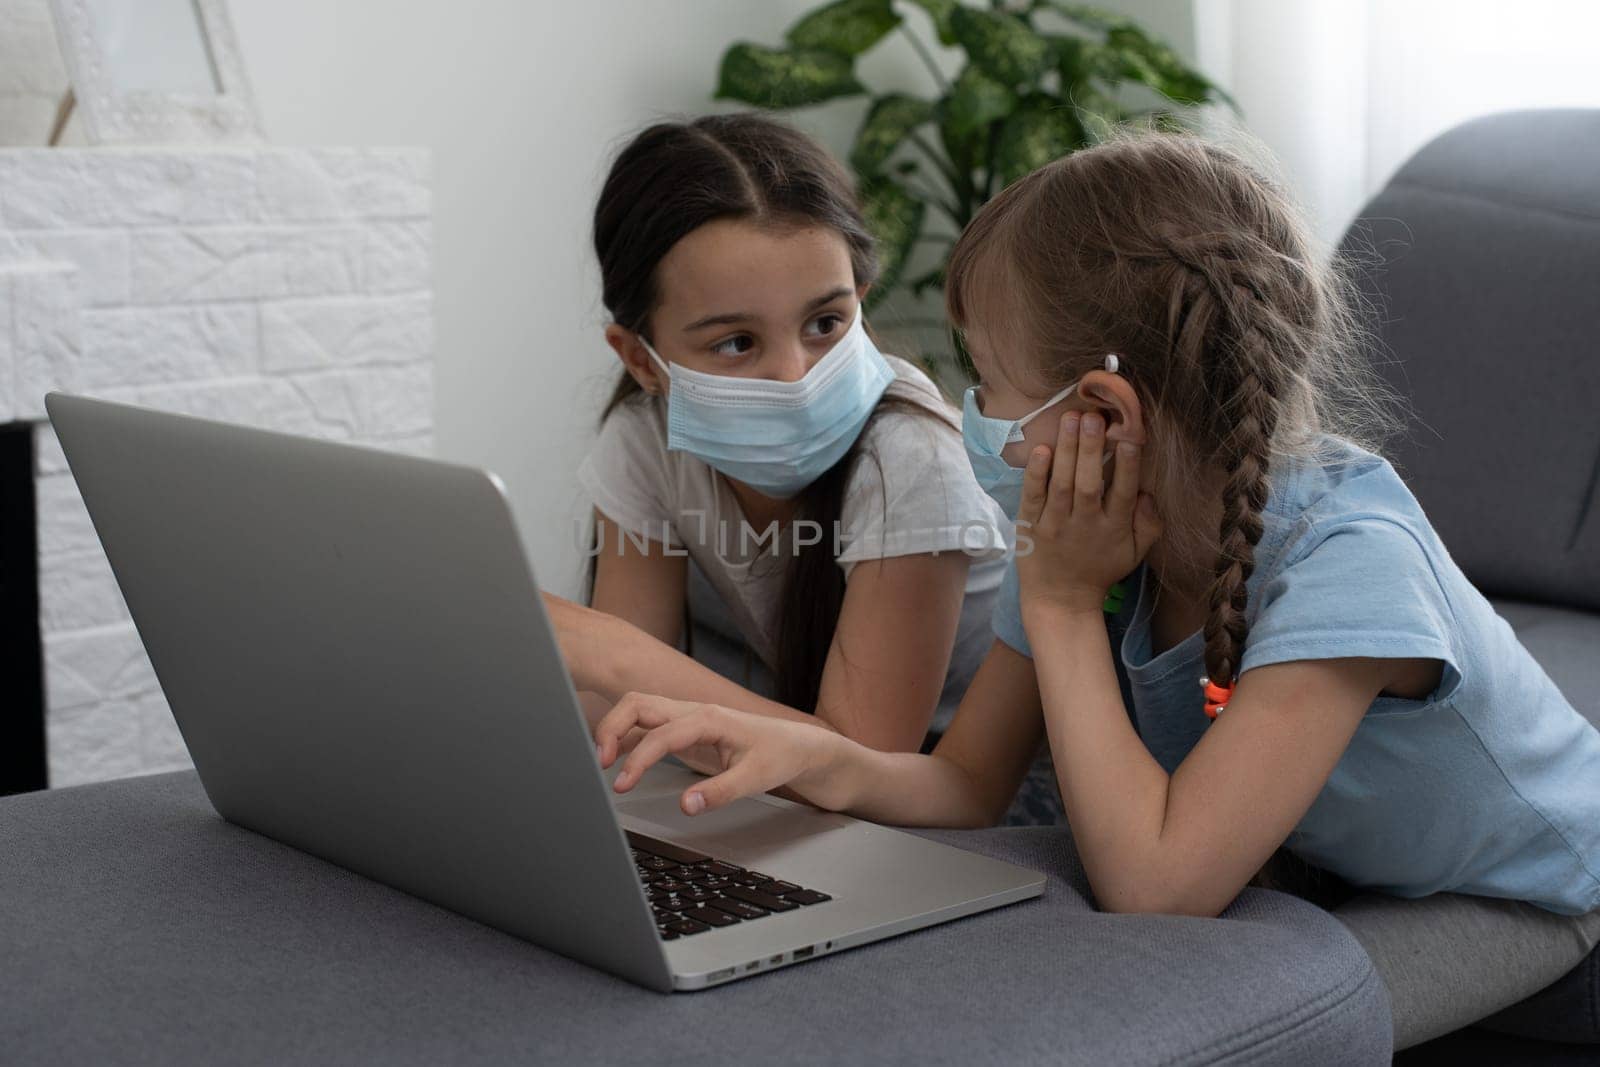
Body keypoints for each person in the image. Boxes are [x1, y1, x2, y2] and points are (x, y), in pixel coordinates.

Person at [592, 131, 1600, 1047]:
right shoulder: (1078, 532)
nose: (971, 415)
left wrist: (1069, 606)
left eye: (985, 379)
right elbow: (965, 785)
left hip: (1537, 898)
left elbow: (1158, 886)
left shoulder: (1348, 562)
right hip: (1335, 866)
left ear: (1101, 412)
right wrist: (811, 755)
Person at [545, 113, 1018, 782]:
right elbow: (616, 719)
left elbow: (859, 765)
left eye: (826, 322)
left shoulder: (911, 459)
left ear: (862, 300)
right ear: (642, 360)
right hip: (794, 781)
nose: (796, 377)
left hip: (936, 795)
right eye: (736, 342)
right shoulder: (647, 435)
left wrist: (613, 655)